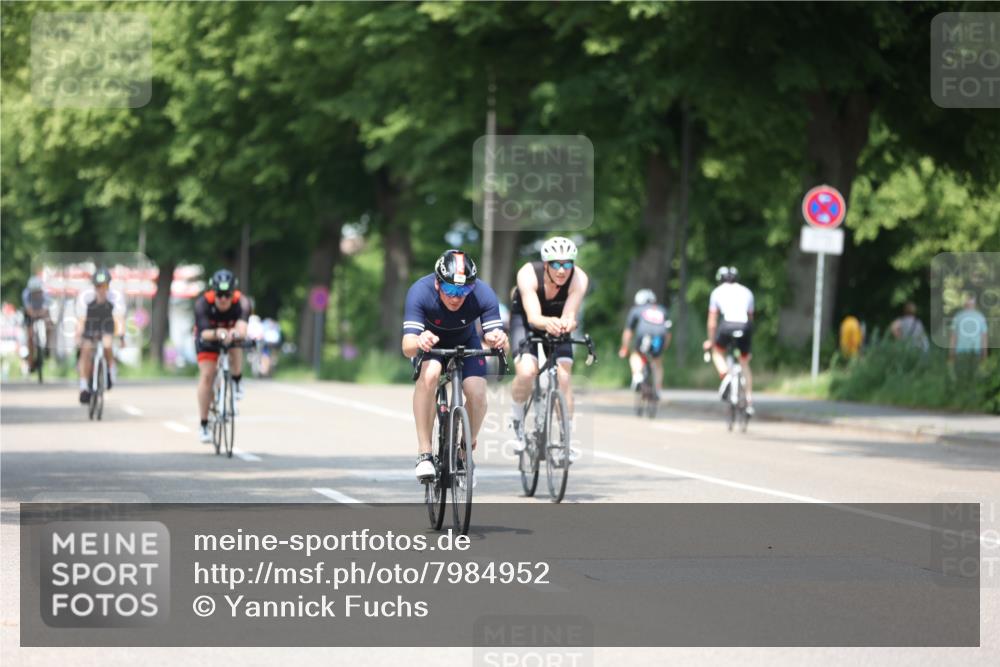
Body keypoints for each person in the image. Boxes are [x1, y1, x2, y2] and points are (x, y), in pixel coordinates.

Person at [402, 250, 507, 482]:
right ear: (438, 284)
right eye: (450, 289)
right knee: (430, 375)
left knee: (477, 393)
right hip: (430, 343)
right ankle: (424, 453)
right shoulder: (420, 291)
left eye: (463, 290)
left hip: (466, 341)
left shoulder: (483, 293)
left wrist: (499, 339)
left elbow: (499, 340)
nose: (456, 297)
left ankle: (464, 449)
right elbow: (407, 346)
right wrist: (419, 341)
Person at [508, 237, 589, 453]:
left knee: (563, 377)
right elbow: (534, 317)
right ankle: (516, 422)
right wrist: (549, 323)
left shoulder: (579, 279)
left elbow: (570, 314)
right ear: (546, 264)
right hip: (526, 320)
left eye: (567, 264)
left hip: (557, 324)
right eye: (556, 264)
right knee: (527, 372)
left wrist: (569, 322)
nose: (562, 270)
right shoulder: (528, 273)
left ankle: (565, 439)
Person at [194, 269, 250, 443]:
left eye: (227, 294)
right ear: (213, 292)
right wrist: (218, 332)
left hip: (230, 337)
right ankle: (204, 424)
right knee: (207, 375)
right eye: (220, 294)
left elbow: (242, 328)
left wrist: (234, 333)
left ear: (233, 292)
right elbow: (203, 333)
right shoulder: (202, 303)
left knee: (236, 344)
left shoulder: (242, 302)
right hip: (209, 338)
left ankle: (236, 379)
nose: (223, 299)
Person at [703, 266, 755, 414]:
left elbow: (712, 323)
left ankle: (726, 376)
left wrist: (711, 342)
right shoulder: (747, 292)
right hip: (745, 326)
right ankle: (749, 400)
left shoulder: (717, 292)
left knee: (717, 352)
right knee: (744, 362)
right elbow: (751, 319)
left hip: (727, 325)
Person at [75, 267, 126, 404]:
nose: (101, 289)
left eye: (104, 286)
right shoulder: (85, 297)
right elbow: (81, 320)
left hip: (107, 322)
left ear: (109, 285)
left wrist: (121, 337)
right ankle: (84, 386)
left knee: (107, 343)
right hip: (91, 324)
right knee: (86, 349)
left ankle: (110, 368)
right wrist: (78, 336)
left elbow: (119, 319)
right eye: (98, 286)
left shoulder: (115, 297)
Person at [619, 288, 672, 397]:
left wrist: (624, 347)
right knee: (657, 362)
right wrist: (663, 348)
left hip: (644, 335)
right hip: (659, 337)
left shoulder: (636, 310)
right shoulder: (662, 310)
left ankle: (638, 376)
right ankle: (657, 390)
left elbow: (628, 332)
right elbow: (668, 333)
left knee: (636, 354)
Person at [949, 295, 988, 383]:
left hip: (960, 352)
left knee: (960, 378)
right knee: (974, 378)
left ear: (964, 304)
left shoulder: (957, 317)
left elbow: (953, 337)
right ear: (974, 304)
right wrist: (984, 354)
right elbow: (984, 338)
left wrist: (951, 353)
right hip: (975, 352)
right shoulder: (981, 317)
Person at [21, 275, 53, 373]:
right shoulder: (26, 294)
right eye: (33, 292)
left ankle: (47, 346)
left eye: (37, 292)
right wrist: (35, 313)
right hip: (31, 314)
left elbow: (46, 308)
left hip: (42, 312)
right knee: (30, 336)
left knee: (50, 325)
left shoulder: (46, 294)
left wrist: (42, 314)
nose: (35, 294)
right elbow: (28, 310)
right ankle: (31, 362)